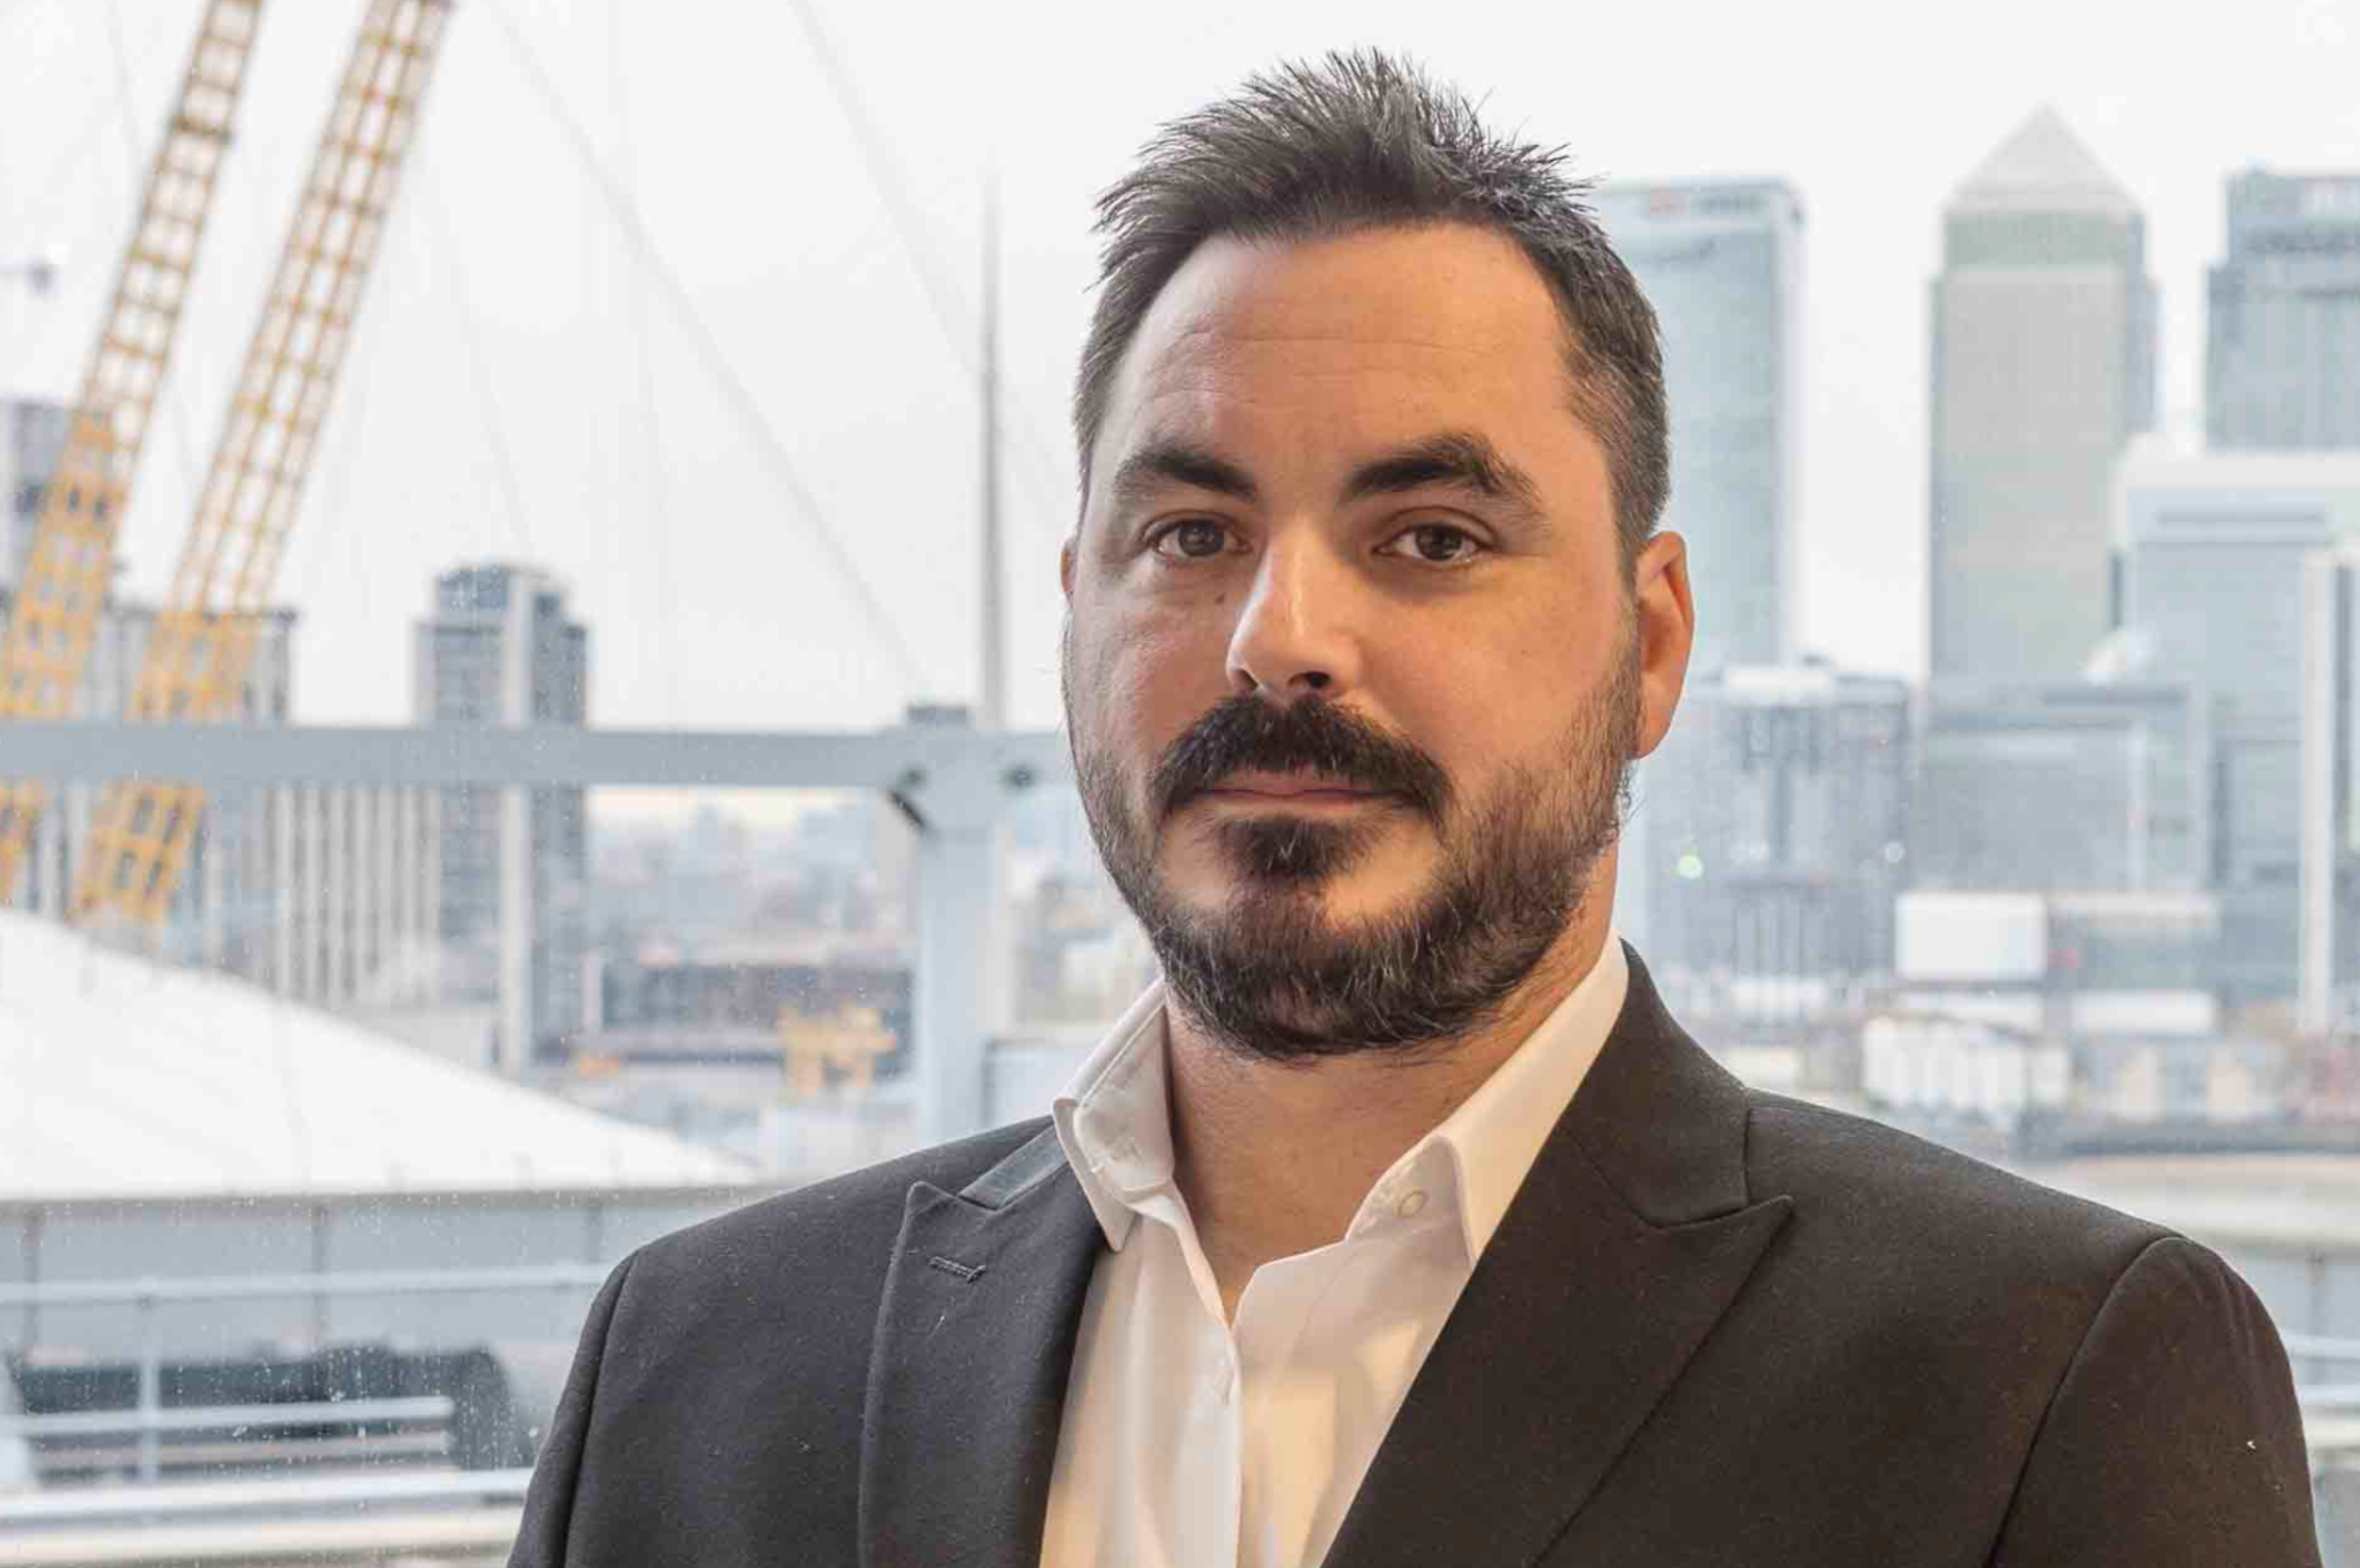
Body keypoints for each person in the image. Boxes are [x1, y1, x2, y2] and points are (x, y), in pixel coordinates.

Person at [509, 51, 2319, 1568]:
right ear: (1075, 615)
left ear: (1650, 642)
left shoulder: (2043, 1382)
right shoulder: (700, 1368)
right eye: (1190, 533)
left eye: (1430, 539)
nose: (1279, 635)